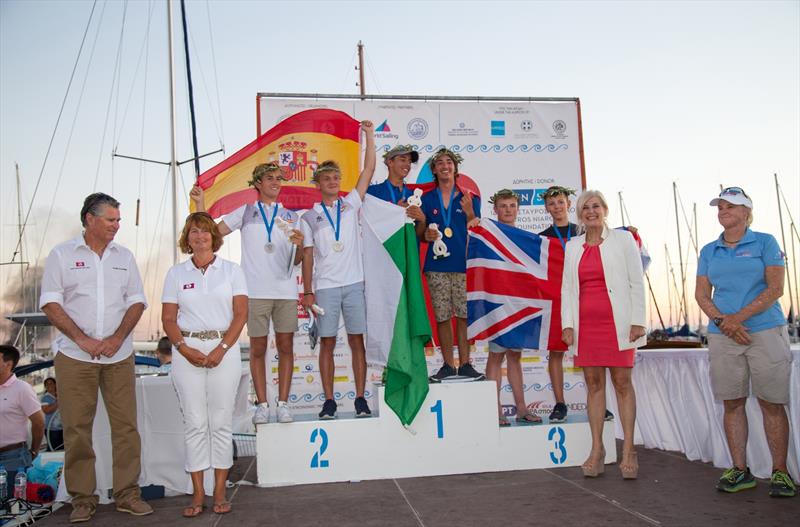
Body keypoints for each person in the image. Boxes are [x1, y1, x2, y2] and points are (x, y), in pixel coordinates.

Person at [40, 192, 152, 522]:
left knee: (126, 428)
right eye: (111, 219)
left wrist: (118, 338)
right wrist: (83, 339)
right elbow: (50, 303)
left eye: (118, 220)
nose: (118, 225)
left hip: (119, 355)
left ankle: (127, 494)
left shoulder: (125, 256)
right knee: (76, 429)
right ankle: (82, 499)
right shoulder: (61, 255)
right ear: (90, 219)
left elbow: (136, 301)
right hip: (75, 356)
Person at [695, 187, 796, 497]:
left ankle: (780, 473)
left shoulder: (765, 242)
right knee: (732, 402)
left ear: (746, 213)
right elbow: (701, 294)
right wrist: (725, 323)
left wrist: (736, 319)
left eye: (730, 206)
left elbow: (775, 288)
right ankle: (740, 470)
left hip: (764, 331)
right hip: (724, 335)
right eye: (720, 206)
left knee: (771, 402)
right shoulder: (709, 250)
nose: (723, 210)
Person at [191, 162, 304, 424]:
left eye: (279, 178)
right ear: (257, 184)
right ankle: (262, 405)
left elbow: (297, 260)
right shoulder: (246, 212)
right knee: (258, 348)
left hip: (285, 292)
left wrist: (299, 246)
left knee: (286, 347)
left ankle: (284, 404)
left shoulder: (292, 217)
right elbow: (212, 236)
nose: (275, 182)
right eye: (269, 178)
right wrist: (201, 204)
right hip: (253, 292)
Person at [161, 212, 248, 517]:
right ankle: (198, 494)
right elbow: (169, 319)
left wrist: (223, 348)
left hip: (225, 350)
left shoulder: (232, 271)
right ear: (187, 238)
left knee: (221, 422)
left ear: (214, 237)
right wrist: (183, 349)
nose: (199, 237)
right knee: (195, 423)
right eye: (193, 232)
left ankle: (221, 491)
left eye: (205, 232)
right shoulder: (176, 274)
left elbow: (240, 315)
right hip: (187, 351)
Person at [561, 190, 646, 479]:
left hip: (619, 325)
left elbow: (637, 282)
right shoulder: (572, 246)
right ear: (580, 214)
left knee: (622, 384)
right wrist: (568, 324)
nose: (591, 211)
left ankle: (629, 450)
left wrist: (638, 321)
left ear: (605, 209)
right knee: (594, 384)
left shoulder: (623, 240)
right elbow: (567, 289)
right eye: (585, 208)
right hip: (586, 326)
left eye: (595, 206)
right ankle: (597, 451)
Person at [300, 120, 375, 420]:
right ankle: (329, 401)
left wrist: (369, 135)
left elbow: (368, 170)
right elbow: (307, 256)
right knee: (327, 343)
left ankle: (360, 398)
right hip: (326, 287)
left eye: (336, 177)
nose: (332, 181)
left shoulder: (350, 204)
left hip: (354, 283)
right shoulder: (308, 217)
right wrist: (307, 292)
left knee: (358, 341)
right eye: (326, 178)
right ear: (318, 184)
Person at [538, 186, 614, 424]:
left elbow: (609, 242)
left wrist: (629, 231)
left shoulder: (582, 231)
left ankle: (599, 403)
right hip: (557, 298)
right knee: (556, 350)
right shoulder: (542, 237)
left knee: (592, 351)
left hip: (586, 296)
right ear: (546, 208)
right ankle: (560, 403)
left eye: (560, 202)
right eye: (552, 204)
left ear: (569, 204)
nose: (557, 207)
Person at [417, 148, 484, 382]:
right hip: (436, 266)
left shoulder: (470, 198)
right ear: (434, 170)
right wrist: (426, 234)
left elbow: (477, 230)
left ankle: (465, 364)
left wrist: (469, 213)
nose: (445, 166)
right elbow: (420, 232)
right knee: (443, 316)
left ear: (456, 168)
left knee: (464, 316)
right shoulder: (426, 199)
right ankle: (447, 364)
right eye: (440, 163)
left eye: (449, 162)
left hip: (464, 264)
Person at [483, 190, 541, 426]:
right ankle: (494, 410)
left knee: (515, 357)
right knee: (496, 356)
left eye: (512, 205)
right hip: (496, 303)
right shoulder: (488, 235)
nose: (508, 210)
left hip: (518, 303)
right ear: (495, 210)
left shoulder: (527, 237)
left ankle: (521, 408)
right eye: (503, 206)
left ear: (518, 209)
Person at [0, 345, 44, 501]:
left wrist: (34, 450)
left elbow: (39, 422)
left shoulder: (22, 389)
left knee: (13, 505)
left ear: (8, 363)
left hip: (13, 458)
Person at [366, 144, 425, 221]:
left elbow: (417, 232)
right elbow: (368, 223)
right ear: (390, 162)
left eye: (409, 162)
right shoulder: (373, 192)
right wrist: (394, 211)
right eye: (403, 160)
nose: (407, 164)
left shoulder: (413, 196)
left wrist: (422, 220)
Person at [40, 377, 64, 450]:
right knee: (53, 448)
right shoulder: (45, 398)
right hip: (52, 429)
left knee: (62, 447)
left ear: (55, 384)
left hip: (63, 427)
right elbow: (46, 410)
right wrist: (58, 402)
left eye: (51, 383)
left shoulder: (61, 395)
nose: (49, 385)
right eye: (47, 384)